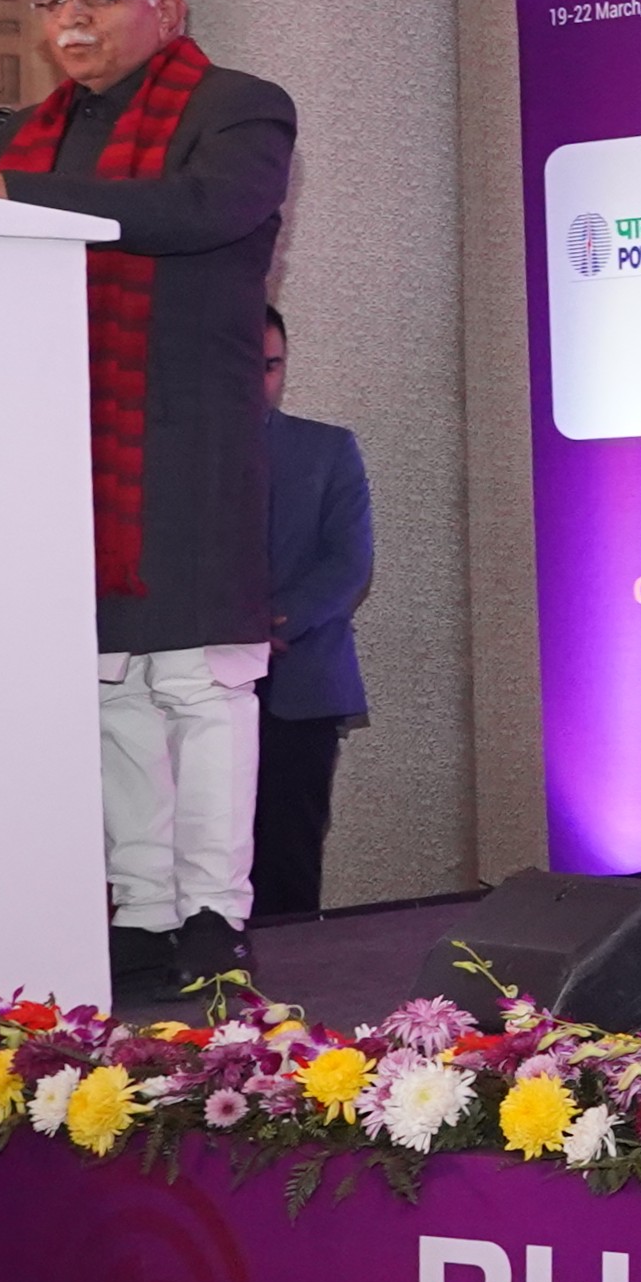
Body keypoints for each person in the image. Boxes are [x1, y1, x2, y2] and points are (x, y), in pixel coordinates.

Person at [0, 0, 295, 1012]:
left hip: (182, 436)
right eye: (53, 1)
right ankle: (142, 912)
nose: (69, 19)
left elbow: (197, 211)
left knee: (200, 685)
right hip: (57, 435)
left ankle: (214, 915)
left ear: (166, 9)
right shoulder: (31, 133)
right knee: (110, 688)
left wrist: (7, 195)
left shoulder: (239, 106)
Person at [252, 312, 372, 927]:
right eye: (246, 365)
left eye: (272, 366)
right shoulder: (174, 460)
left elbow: (349, 564)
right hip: (192, 681)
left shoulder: (328, 449)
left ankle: (294, 973)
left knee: (290, 858)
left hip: (300, 685)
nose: (260, 380)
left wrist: (266, 626)